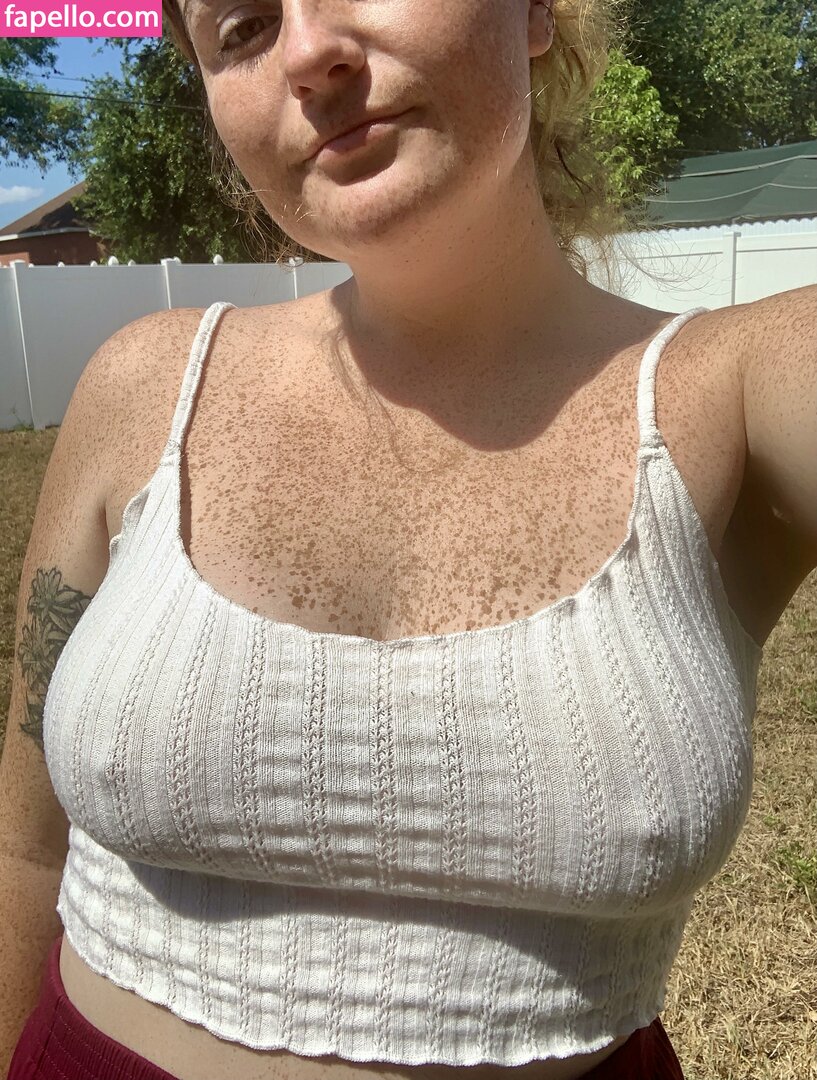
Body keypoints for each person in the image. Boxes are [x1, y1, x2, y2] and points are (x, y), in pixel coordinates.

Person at [1, 0, 815, 1078]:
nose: (307, 54)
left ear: (535, 12)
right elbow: (26, 847)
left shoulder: (736, 388)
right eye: (240, 28)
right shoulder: (145, 385)